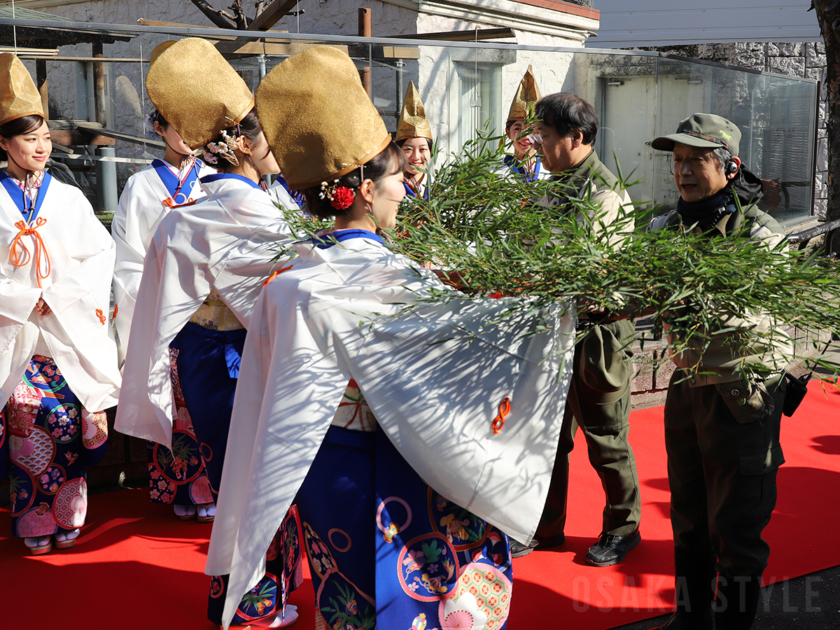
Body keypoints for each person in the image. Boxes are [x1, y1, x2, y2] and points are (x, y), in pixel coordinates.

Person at [206, 46, 577, 630]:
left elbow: (266, 403)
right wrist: (551, 307)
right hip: (413, 456)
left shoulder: (287, 286)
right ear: (364, 189)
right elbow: (469, 346)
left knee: (347, 594)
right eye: (398, 178)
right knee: (417, 593)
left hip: (325, 463)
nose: (405, 189)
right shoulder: (406, 279)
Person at [114, 38, 301, 628]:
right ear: (243, 145)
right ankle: (245, 604)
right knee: (251, 480)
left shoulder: (203, 207)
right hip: (236, 354)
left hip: (204, 351)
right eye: (267, 133)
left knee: (236, 479)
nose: (275, 143)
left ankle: (245, 595)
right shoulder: (247, 210)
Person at [648, 113, 789, 630]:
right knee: (687, 514)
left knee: (736, 524)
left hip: (741, 392)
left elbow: (744, 312)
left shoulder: (759, 235)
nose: (682, 172)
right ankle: (691, 619)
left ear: (728, 167)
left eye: (695, 160)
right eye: (677, 161)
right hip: (687, 387)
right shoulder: (663, 227)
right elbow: (635, 293)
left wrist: (679, 294)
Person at [0, 53, 120, 555]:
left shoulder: (69, 199)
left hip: (63, 333)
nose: (41, 148)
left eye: (46, 138)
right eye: (30, 139)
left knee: (67, 426)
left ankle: (69, 514)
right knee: (27, 429)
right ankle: (32, 521)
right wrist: (26, 299)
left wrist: (60, 298)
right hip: (17, 333)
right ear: (4, 142)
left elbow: (100, 254)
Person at [520, 92, 642, 565]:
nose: (538, 145)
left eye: (545, 136)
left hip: (596, 334)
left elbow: (585, 272)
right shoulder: (555, 185)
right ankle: (545, 526)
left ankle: (623, 527)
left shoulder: (602, 192)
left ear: (577, 138)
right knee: (550, 435)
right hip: (555, 330)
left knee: (606, 438)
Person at [112, 42, 217, 523]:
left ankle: (213, 485)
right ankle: (178, 488)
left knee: (208, 400)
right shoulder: (140, 186)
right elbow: (128, 258)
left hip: (211, 309)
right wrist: (154, 301)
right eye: (178, 123)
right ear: (159, 128)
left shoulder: (216, 179)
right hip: (163, 311)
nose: (190, 135)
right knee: (172, 402)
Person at [499, 65, 547, 182]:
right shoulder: (495, 175)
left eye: (531, 129)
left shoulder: (551, 173)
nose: (525, 137)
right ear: (507, 132)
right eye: (518, 129)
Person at [395, 81, 432, 199]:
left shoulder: (442, 188)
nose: (416, 156)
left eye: (422, 149)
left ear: (431, 152)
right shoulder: (390, 188)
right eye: (408, 149)